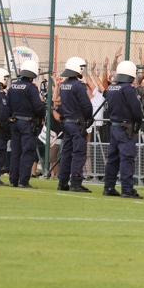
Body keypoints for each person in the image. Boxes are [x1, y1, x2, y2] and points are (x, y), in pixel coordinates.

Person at [103, 61, 144, 199]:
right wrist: (139, 121)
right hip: (126, 127)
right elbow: (136, 109)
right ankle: (127, 189)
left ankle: (109, 186)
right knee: (127, 158)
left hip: (114, 126)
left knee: (113, 158)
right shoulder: (128, 89)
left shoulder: (111, 89)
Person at [58, 57, 94, 193]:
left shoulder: (63, 85)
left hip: (67, 123)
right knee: (78, 153)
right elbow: (86, 105)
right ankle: (76, 181)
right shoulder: (79, 86)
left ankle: (62, 181)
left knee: (66, 153)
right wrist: (89, 118)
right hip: (78, 123)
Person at [8, 60, 46, 189]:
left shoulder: (12, 86)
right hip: (27, 123)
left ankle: (13, 179)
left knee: (16, 152)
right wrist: (42, 114)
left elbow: (8, 106)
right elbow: (38, 107)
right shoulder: (31, 88)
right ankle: (23, 180)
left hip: (15, 122)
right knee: (27, 152)